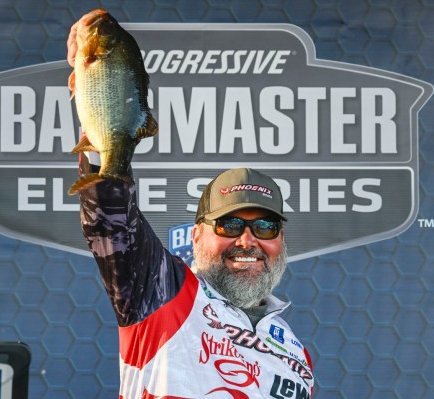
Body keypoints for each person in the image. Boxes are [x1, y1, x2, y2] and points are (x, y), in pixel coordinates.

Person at [77, 153, 314, 398]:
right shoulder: (163, 292)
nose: (247, 241)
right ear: (196, 236)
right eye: (229, 225)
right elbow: (112, 216)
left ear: (281, 240)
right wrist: (105, 147)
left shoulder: (296, 352)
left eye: (265, 227)